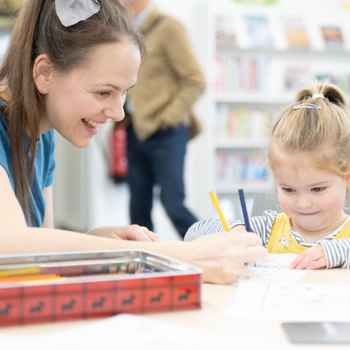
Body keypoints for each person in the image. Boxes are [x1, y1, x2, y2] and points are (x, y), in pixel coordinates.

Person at [0, 0, 267, 285]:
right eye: (104, 92)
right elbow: (11, 245)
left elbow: (39, 251)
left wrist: (96, 240)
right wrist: (179, 255)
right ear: (44, 73)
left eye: (125, 92)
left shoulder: (43, 136)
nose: (118, 113)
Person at [185, 83, 350, 270]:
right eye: (289, 189)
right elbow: (192, 234)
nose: (303, 203)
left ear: (347, 176)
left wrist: (334, 251)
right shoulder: (268, 229)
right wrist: (235, 231)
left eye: (317, 189)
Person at [121, 0, 206, 238]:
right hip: (136, 130)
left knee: (173, 205)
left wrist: (169, 117)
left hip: (166, 132)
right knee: (138, 209)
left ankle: (215, 248)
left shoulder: (169, 27)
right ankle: (142, 262)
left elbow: (195, 80)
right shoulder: (125, 31)